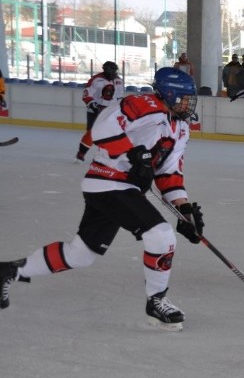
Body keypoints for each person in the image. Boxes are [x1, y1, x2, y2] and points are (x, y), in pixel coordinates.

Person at [0, 67, 202, 330]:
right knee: (161, 235)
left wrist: (183, 208)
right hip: (108, 182)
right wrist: (133, 153)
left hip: (120, 189)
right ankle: (156, 302)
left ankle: (9, 271)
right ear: (170, 93)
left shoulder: (181, 129)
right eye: (185, 98)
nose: (189, 103)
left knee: (81, 254)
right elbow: (102, 129)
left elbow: (169, 172)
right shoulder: (145, 104)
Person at [74, 61, 125, 163]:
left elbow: (120, 97)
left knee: (110, 134)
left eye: (115, 71)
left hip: (111, 111)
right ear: (107, 70)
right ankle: (81, 154)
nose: (114, 73)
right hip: (95, 110)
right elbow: (87, 94)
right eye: (113, 71)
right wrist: (93, 105)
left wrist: (119, 108)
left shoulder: (119, 81)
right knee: (91, 133)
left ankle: (103, 155)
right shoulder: (96, 80)